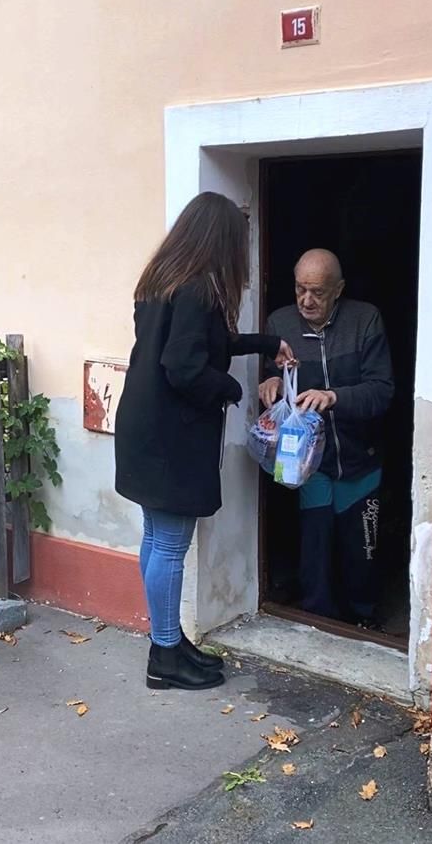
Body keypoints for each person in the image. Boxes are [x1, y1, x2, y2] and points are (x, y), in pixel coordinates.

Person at [115, 192, 294, 691]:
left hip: (145, 427)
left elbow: (206, 343)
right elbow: (184, 366)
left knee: (156, 537)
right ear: (221, 240)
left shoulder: (161, 283)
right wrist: (231, 389)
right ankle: (164, 657)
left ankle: (168, 642)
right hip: (172, 437)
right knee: (170, 543)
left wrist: (267, 344)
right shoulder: (197, 288)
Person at [259, 249, 394, 626]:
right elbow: (272, 370)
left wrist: (334, 397)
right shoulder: (280, 323)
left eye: (317, 292)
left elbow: (382, 390)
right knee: (314, 545)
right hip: (308, 461)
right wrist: (270, 380)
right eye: (300, 289)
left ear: (339, 289)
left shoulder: (365, 320)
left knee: (361, 549)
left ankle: (363, 618)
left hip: (360, 456)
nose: (306, 300)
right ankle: (317, 617)